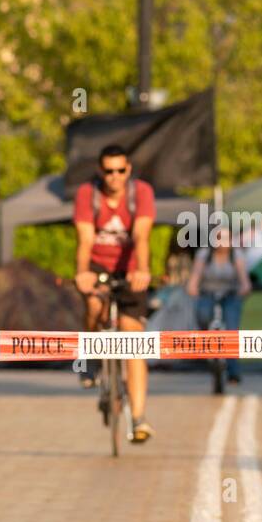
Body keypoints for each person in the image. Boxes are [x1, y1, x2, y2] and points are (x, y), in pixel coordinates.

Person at [73, 144, 157, 442]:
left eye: (120, 170)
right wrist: (82, 272)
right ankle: (91, 357)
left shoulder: (141, 193)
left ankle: (138, 418)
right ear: (100, 171)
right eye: (109, 171)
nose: (114, 177)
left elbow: (141, 235)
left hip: (130, 270)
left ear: (128, 169)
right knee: (94, 306)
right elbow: (85, 238)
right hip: (98, 265)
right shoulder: (88, 194)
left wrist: (142, 270)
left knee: (133, 339)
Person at [186, 225, 253, 384]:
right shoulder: (204, 254)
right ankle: (208, 350)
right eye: (219, 238)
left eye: (226, 238)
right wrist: (192, 286)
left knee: (231, 329)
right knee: (203, 316)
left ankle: (233, 371)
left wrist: (244, 287)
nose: (222, 242)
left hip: (230, 294)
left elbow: (244, 279)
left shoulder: (236, 254)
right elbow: (195, 276)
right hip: (207, 293)